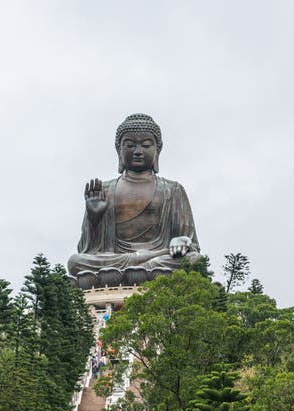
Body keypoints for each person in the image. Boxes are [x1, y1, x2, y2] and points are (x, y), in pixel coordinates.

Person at [68, 113, 201, 290]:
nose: (138, 152)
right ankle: (137, 270)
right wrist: (94, 219)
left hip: (159, 258)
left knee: (193, 261)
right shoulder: (104, 190)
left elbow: (191, 244)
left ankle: (136, 270)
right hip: (115, 261)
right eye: (130, 145)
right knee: (75, 262)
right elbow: (87, 250)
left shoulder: (173, 190)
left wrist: (182, 241)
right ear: (119, 150)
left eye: (146, 145)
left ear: (158, 149)